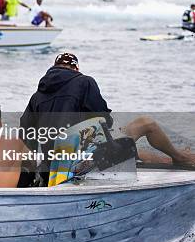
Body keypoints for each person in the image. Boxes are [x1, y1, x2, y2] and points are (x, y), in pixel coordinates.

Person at [20, 52, 195, 187]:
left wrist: (35, 173)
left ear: (54, 68)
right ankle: (180, 157)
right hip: (82, 164)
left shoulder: (36, 97)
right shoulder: (84, 81)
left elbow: (26, 137)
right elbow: (104, 120)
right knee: (145, 123)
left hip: (54, 166)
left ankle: (171, 159)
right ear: (76, 68)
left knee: (129, 149)